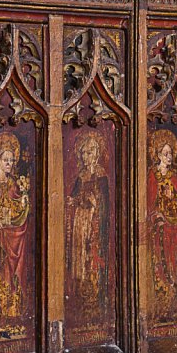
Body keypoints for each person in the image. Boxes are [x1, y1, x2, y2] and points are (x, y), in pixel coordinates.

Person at [0, 132, 30, 339]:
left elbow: (17, 211)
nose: (9, 163)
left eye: (12, 160)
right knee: (0, 280)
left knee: (13, 281)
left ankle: (12, 321)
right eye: (5, 160)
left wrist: (23, 202)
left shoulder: (14, 184)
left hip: (12, 239)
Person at [147, 129, 177, 316]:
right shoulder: (152, 176)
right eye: (165, 153)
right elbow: (148, 202)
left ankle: (173, 295)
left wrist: (175, 197)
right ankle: (161, 298)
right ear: (157, 155)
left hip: (174, 227)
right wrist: (157, 215)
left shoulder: (174, 177)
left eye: (170, 153)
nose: (169, 157)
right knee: (159, 261)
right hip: (158, 229)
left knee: (174, 261)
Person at [67, 129, 110, 309]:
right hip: (80, 223)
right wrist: (74, 201)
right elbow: (74, 197)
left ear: (97, 154)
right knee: (80, 259)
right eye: (83, 152)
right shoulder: (80, 176)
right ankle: (80, 296)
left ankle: (95, 296)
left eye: (89, 152)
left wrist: (92, 203)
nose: (86, 156)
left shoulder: (101, 176)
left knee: (92, 259)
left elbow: (103, 203)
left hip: (95, 223)